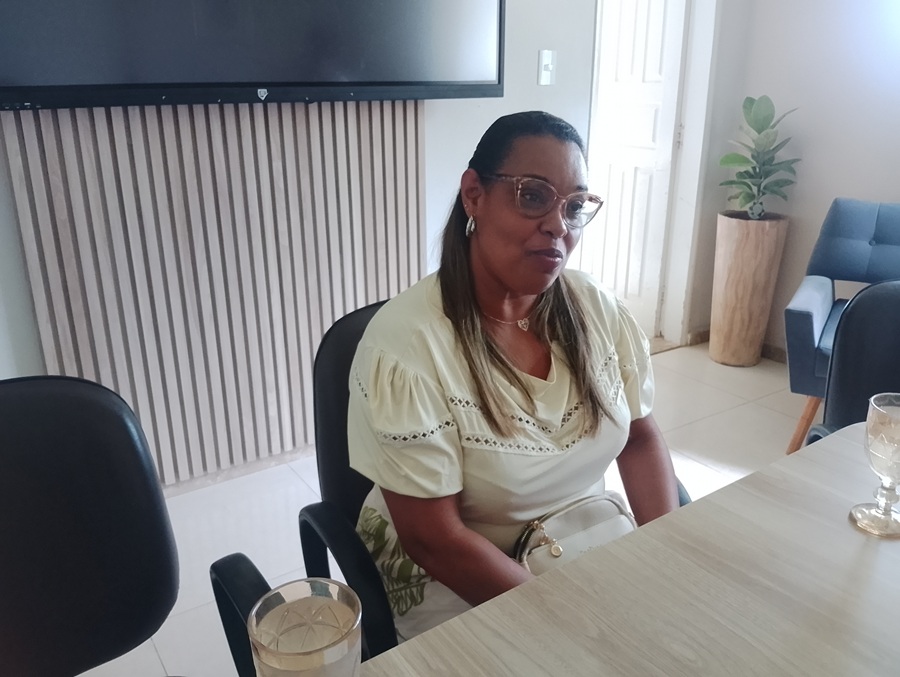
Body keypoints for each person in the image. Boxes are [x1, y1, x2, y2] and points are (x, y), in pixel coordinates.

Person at [347, 110, 679, 640]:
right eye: (533, 196)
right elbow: (436, 540)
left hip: (574, 535)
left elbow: (640, 440)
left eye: (574, 207)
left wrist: (664, 555)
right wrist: (567, 621)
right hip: (460, 580)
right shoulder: (409, 348)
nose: (558, 226)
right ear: (473, 195)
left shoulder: (596, 310)